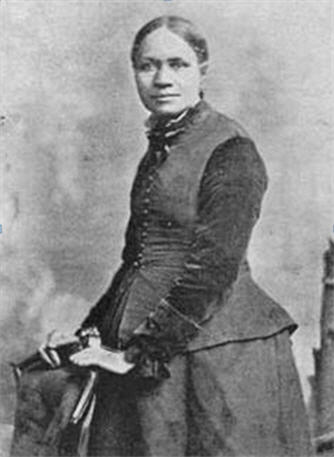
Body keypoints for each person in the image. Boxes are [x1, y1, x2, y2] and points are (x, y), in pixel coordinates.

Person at [12, 15, 312, 457]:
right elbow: (136, 261)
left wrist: (136, 355)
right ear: (134, 72)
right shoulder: (161, 148)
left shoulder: (231, 150)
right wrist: (89, 332)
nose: (162, 79)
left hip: (214, 352)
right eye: (148, 66)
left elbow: (213, 268)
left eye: (178, 64)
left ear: (201, 69)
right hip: (143, 344)